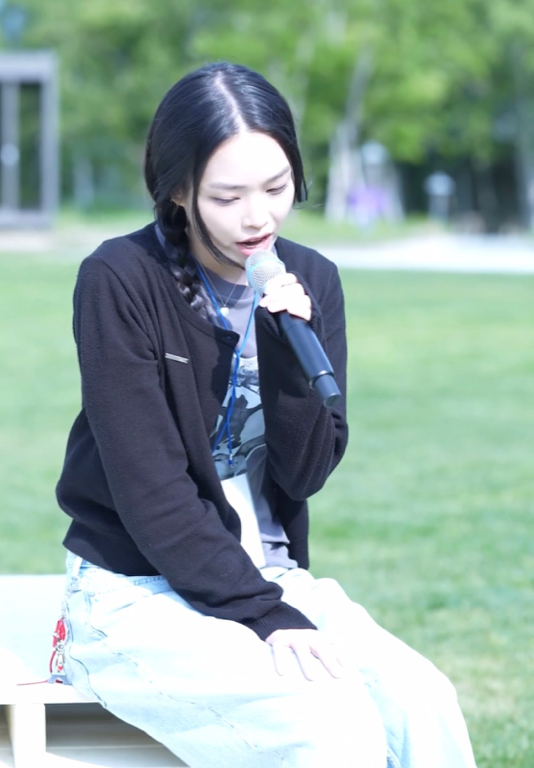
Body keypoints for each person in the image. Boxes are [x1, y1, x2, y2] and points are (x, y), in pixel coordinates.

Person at [56, 61, 477, 768]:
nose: (258, 217)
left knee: (422, 704)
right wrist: (264, 614)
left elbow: (305, 474)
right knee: (331, 730)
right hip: (137, 592)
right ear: (179, 191)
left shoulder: (312, 280)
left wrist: (285, 354)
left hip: (268, 577)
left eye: (277, 188)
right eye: (228, 196)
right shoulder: (121, 280)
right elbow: (149, 490)